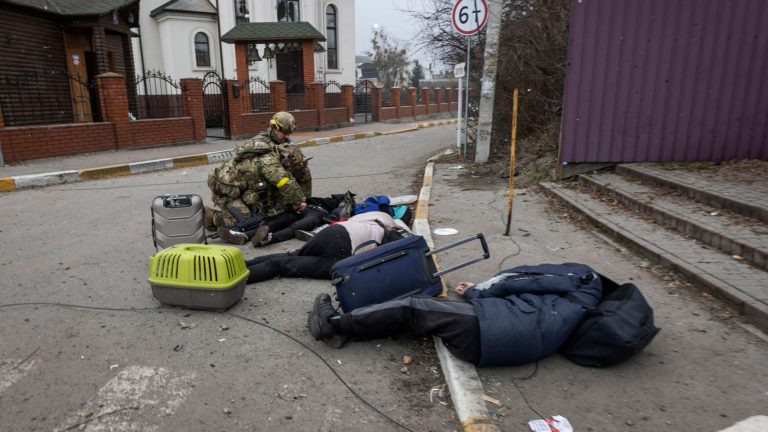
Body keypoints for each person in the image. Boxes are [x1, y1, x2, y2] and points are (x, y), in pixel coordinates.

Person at [308, 263, 603, 367]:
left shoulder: (577, 277)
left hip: (490, 330)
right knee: (422, 313)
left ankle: (333, 324)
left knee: (414, 306)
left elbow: (523, 279)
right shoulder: (581, 300)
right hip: (505, 339)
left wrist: (476, 291)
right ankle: (354, 330)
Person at [205, 111, 312, 245]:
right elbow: (283, 180)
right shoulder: (265, 154)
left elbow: (298, 172)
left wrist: (305, 197)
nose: (287, 137)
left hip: (248, 187)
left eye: (289, 134)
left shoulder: (280, 143)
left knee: (267, 215)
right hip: (225, 189)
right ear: (275, 128)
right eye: (284, 133)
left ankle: (243, 208)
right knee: (244, 222)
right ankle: (212, 217)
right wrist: (299, 201)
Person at [245, 211, 411, 283]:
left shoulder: (369, 217)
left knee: (293, 254)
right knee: (281, 266)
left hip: (333, 232)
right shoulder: (396, 228)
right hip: (343, 252)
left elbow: (344, 222)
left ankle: (242, 265)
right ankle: (237, 281)